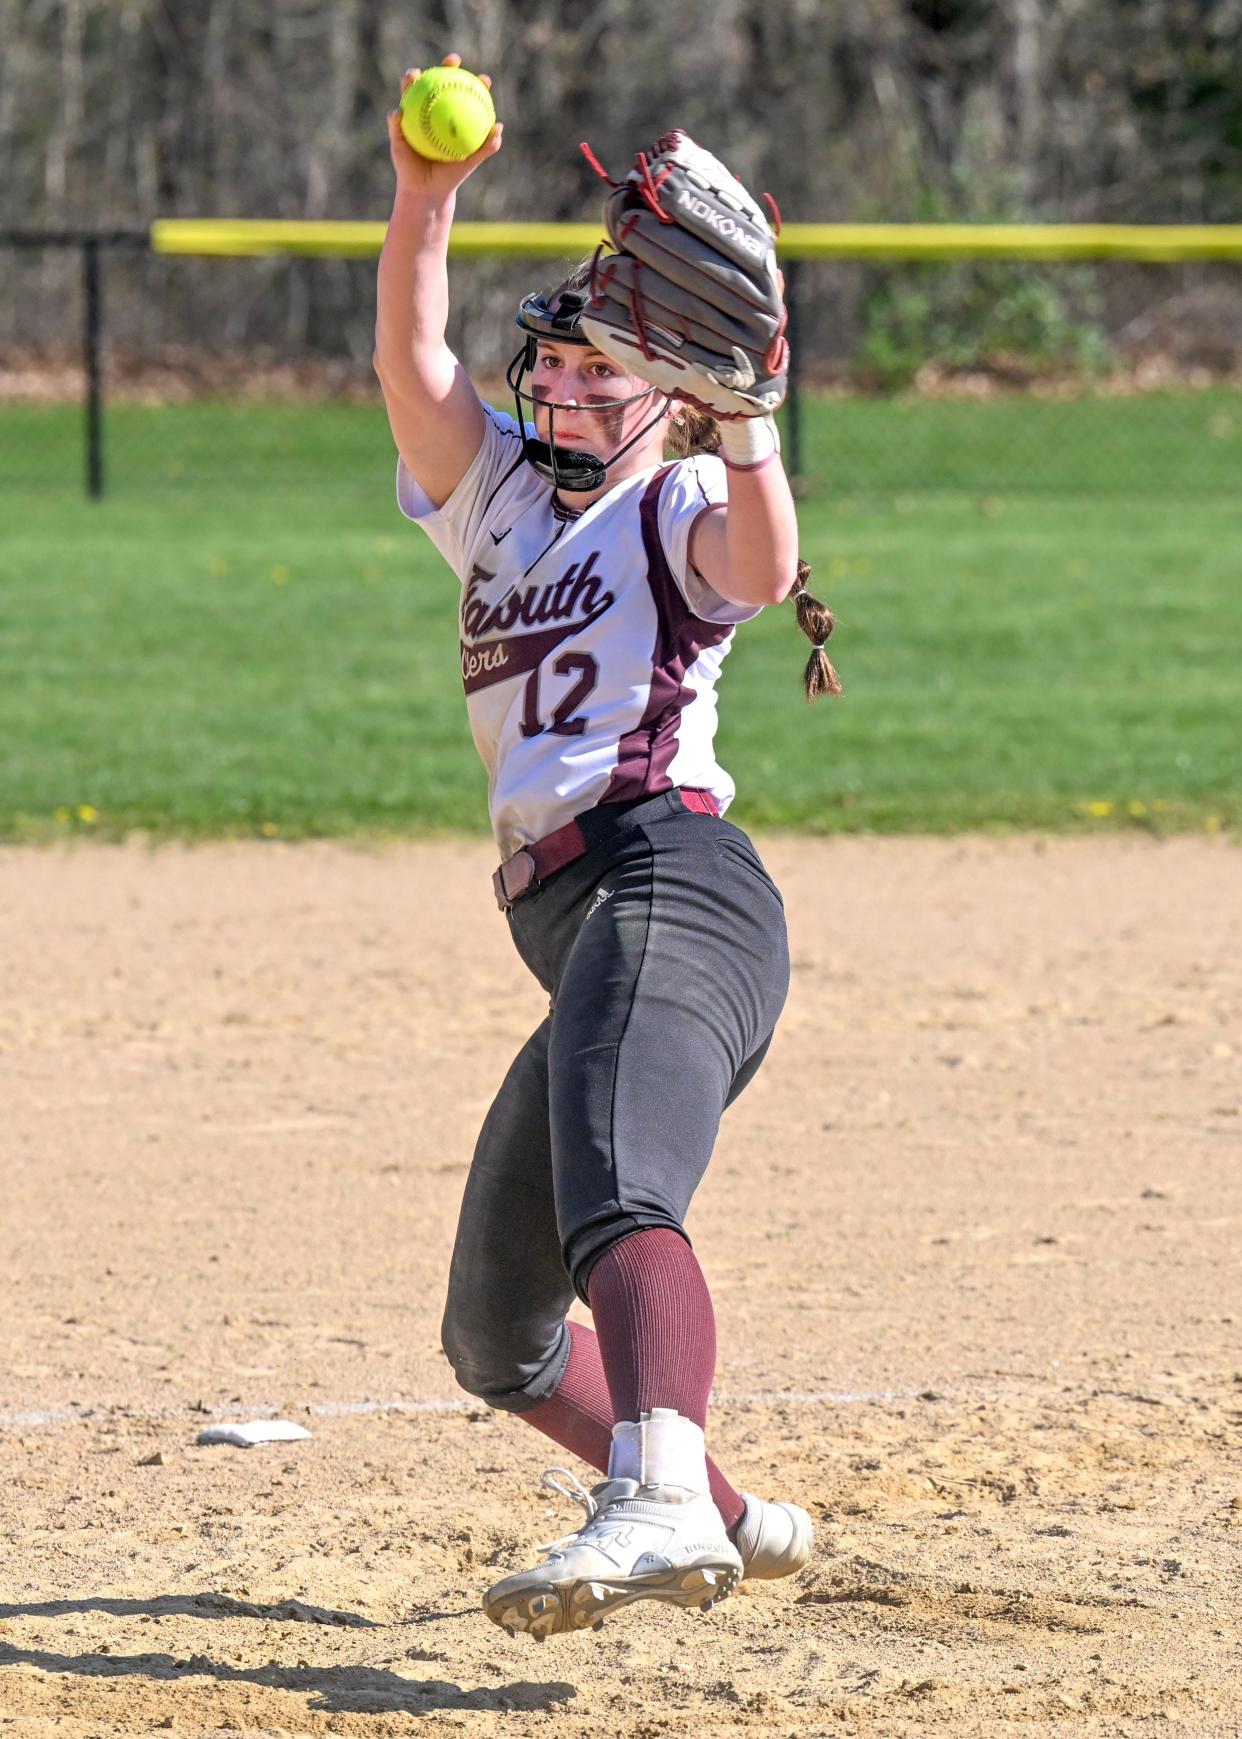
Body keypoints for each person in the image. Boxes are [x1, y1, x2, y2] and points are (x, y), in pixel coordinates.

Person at [375, 55, 839, 1641]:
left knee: (625, 1199)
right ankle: (721, 1511)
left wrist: (754, 426)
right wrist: (424, 197)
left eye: (593, 372)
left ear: (666, 394)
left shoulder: (681, 498)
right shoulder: (495, 497)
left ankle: (648, 1496)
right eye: (552, 367)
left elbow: (762, 570)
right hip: (583, 936)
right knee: (495, 1333)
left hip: (669, 888)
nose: (561, 390)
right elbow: (413, 357)